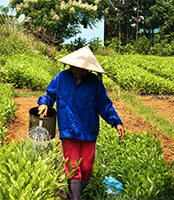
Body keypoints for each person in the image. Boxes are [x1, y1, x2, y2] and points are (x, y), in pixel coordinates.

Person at [37, 46, 125, 200]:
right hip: (68, 130)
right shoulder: (61, 78)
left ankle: (80, 192)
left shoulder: (95, 83)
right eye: (79, 67)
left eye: (85, 68)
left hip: (88, 130)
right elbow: (49, 94)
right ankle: (74, 197)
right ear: (72, 64)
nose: (81, 70)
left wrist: (116, 122)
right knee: (72, 166)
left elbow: (104, 105)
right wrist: (44, 103)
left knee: (86, 167)